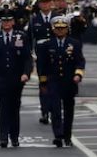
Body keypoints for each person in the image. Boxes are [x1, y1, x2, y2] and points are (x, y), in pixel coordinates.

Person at [36, 15, 85, 148]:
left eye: (63, 28)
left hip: (69, 82)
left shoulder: (74, 43)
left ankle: (67, 136)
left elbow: (80, 61)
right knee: (55, 109)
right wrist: (43, 82)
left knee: (69, 111)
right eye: (57, 28)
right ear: (53, 29)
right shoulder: (47, 45)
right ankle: (58, 135)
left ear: (67, 29)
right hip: (54, 81)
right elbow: (42, 65)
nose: (60, 31)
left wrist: (78, 75)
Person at [0, 9, 32, 148]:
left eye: (8, 21)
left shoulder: (21, 36)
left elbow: (27, 58)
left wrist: (26, 73)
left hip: (16, 78)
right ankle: (3, 137)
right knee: (3, 108)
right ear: (1, 23)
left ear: (13, 22)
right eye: (4, 21)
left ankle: (14, 136)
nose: (6, 23)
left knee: (14, 108)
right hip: (0, 78)